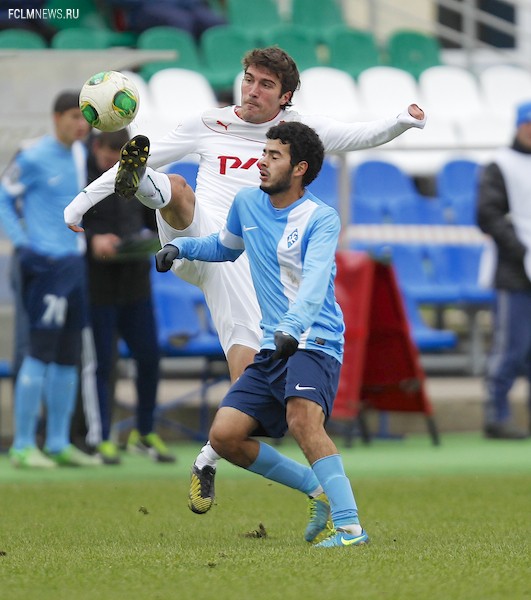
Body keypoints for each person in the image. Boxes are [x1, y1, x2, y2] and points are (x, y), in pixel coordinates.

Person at [64, 46, 426, 508]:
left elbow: (359, 135)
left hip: (245, 271)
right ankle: (145, 185)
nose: (252, 90)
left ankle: (250, 470)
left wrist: (402, 120)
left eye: (266, 84)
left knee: (245, 413)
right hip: (197, 243)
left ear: (285, 97)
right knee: (174, 187)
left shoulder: (297, 134)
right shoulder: (208, 123)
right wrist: (79, 205)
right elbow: (130, 161)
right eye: (249, 79)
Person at [156, 121, 366, 547]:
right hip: (275, 344)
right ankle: (318, 488)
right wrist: (183, 248)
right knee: (226, 436)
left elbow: (313, 285)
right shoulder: (248, 201)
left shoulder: (322, 219)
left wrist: (291, 327)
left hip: (314, 340)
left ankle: (350, 529)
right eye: (263, 152)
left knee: (303, 420)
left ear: (300, 168)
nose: (261, 161)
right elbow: (226, 247)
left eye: (273, 156)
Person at [0, 91, 101, 468]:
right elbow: (2, 196)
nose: (81, 124)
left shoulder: (79, 152)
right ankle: (24, 444)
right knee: (39, 353)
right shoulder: (33, 155)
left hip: (74, 265)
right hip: (45, 265)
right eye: (75, 116)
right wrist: (24, 244)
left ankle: (58, 441)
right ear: (56, 117)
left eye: (85, 118)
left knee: (67, 357)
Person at [83, 129, 175, 464]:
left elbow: (155, 219)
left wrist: (150, 238)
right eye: (108, 154)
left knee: (149, 357)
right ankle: (102, 437)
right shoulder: (82, 174)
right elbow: (71, 222)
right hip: (98, 286)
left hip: (136, 282)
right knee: (104, 363)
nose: (113, 162)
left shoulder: (136, 175)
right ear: (96, 148)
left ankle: (145, 432)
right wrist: (93, 240)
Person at [477, 100, 531, 440]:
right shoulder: (500, 163)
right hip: (513, 269)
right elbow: (488, 214)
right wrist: (520, 249)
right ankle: (496, 415)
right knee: (510, 347)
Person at [108, 0, 226, 40]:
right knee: (180, 20)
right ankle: (185, 64)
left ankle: (220, 64)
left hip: (178, 5)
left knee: (214, 22)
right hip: (143, 9)